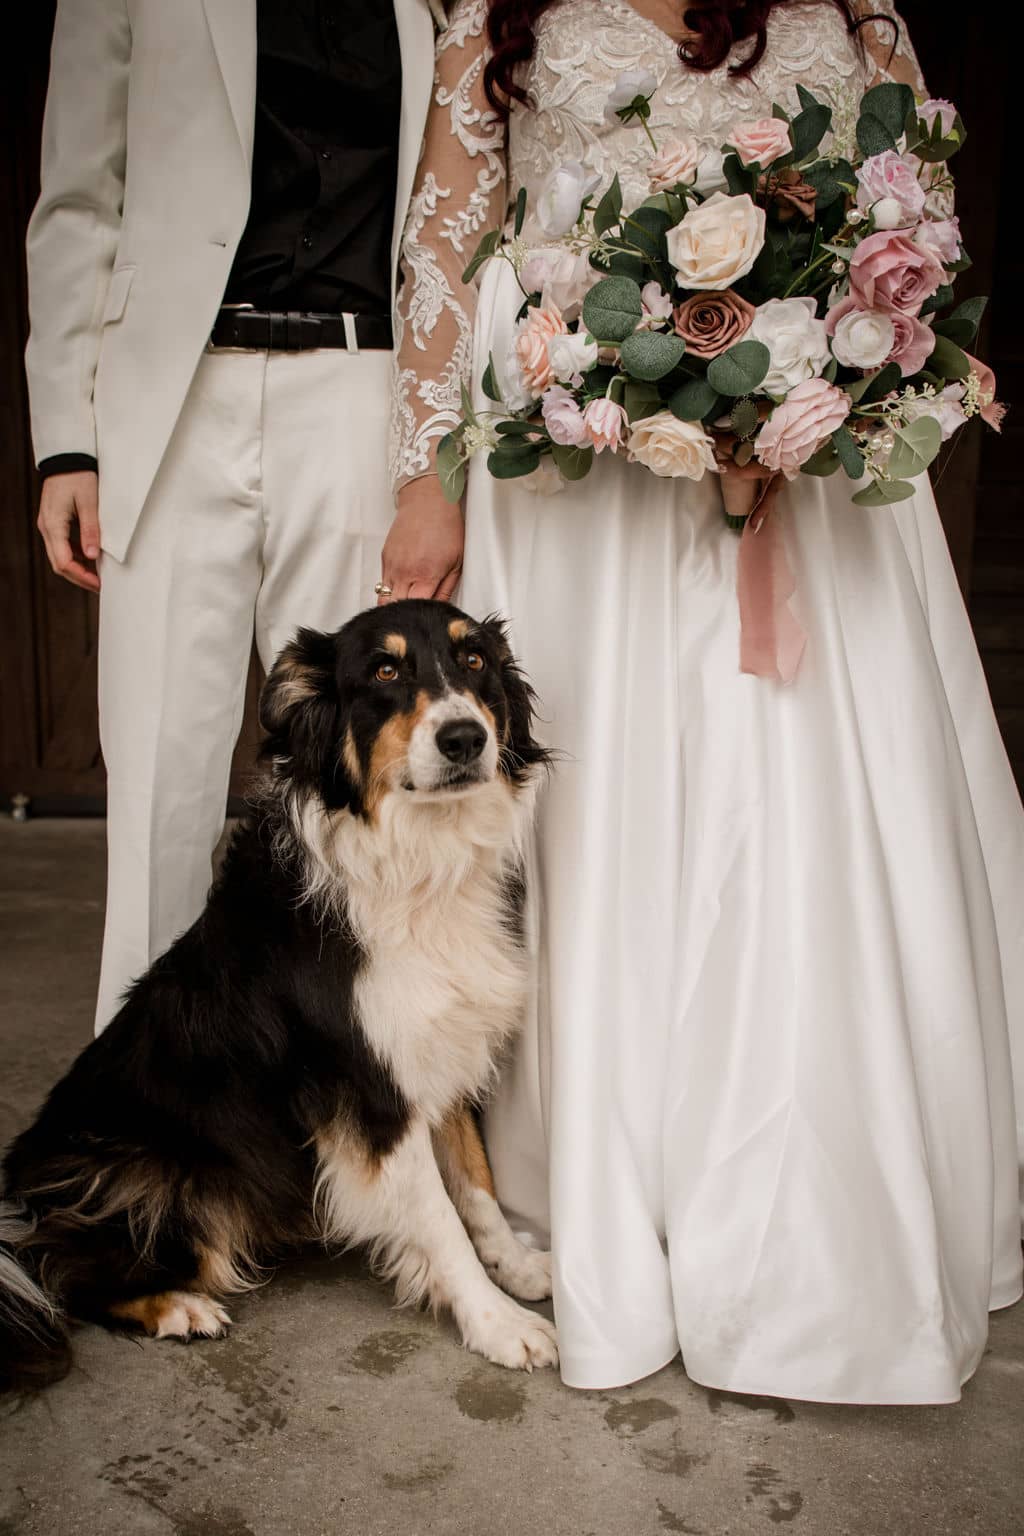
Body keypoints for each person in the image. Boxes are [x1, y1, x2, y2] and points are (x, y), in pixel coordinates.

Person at [380, 0, 1024, 1402]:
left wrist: (828, 357)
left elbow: (917, 226)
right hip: (586, 495)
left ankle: (826, 1212)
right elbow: (444, 253)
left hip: (817, 495)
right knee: (618, 816)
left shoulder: (852, 15)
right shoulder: (501, 17)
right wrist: (424, 484)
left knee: (805, 810)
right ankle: (630, 1193)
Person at [26, 0, 439, 1032]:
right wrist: (66, 443)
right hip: (175, 391)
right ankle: (141, 1111)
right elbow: (78, 202)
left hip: (363, 383)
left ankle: (348, 1100)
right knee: (161, 765)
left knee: (357, 768)